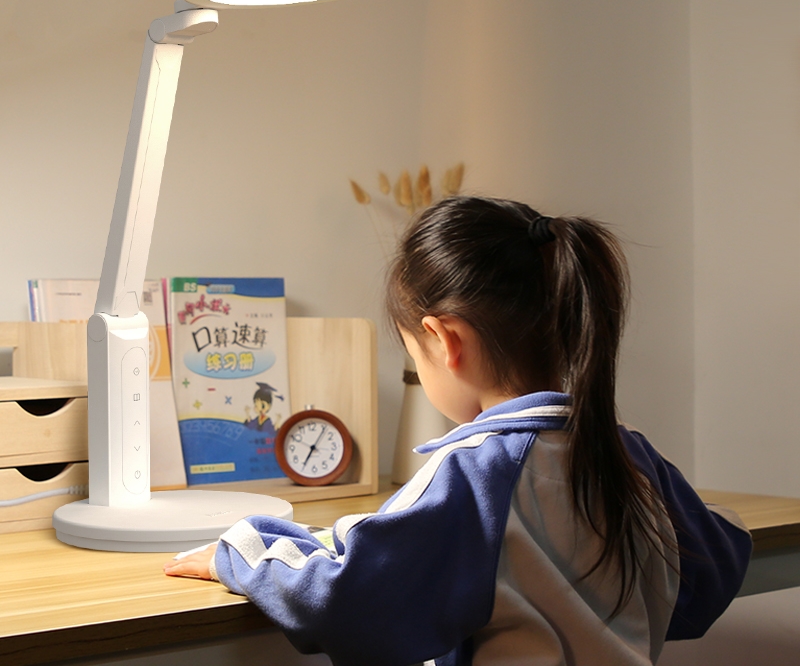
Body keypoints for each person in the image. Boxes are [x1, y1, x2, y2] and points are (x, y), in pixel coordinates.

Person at [165, 195, 752, 666]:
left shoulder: (475, 471)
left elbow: (350, 602)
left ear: (444, 340)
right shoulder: (626, 450)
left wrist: (244, 552)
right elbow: (711, 574)